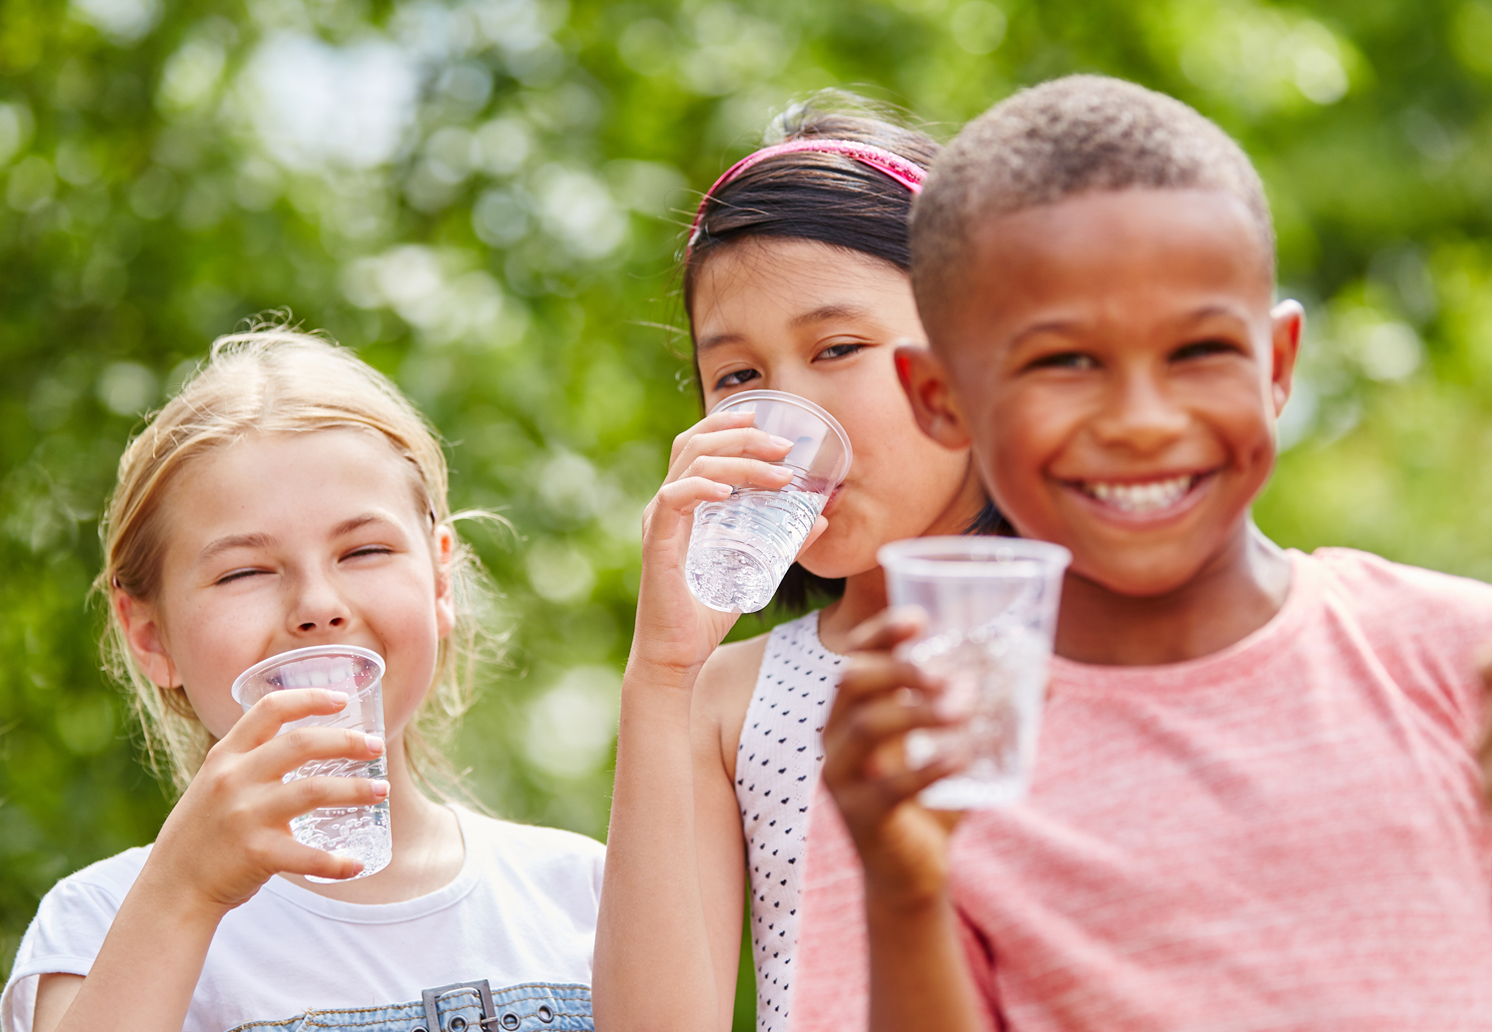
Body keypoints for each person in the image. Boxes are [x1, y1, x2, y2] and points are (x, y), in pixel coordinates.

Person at [793, 75, 1492, 1032]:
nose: (1140, 422)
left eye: (1199, 350)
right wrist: (907, 897)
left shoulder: (1462, 665)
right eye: (1065, 362)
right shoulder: (930, 752)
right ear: (941, 397)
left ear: (1278, 363)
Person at [2, 330, 604, 1032]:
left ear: (441, 579)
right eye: (245, 571)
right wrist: (183, 894)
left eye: (366, 550)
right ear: (150, 636)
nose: (319, 605)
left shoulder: (581, 894)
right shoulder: (97, 928)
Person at [592, 98, 998, 1032]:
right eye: (738, 378)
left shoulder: (1101, 630)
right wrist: (661, 672)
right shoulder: (729, 698)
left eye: (838, 348)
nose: (787, 416)